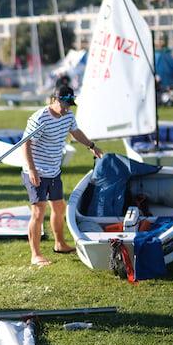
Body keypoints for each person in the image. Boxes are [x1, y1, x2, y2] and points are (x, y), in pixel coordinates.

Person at [22, 85, 103, 266]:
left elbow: (75, 132)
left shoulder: (68, 116)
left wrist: (92, 146)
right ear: (53, 100)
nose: (66, 108)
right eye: (64, 104)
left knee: (59, 208)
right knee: (38, 211)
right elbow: (25, 144)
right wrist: (32, 170)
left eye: (69, 104)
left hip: (53, 171)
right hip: (36, 171)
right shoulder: (39, 118)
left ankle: (59, 243)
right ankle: (35, 255)